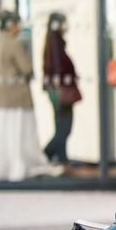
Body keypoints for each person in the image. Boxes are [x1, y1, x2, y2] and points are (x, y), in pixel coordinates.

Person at [0, 10, 57, 181]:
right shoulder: (14, 44)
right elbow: (27, 68)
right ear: (10, 25)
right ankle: (17, 169)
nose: (19, 27)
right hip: (14, 99)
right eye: (16, 23)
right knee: (16, 136)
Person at [42, 12, 81, 168]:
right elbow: (56, 68)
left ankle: (62, 158)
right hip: (59, 91)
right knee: (64, 127)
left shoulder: (55, 42)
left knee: (62, 127)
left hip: (58, 89)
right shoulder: (54, 43)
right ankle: (46, 154)